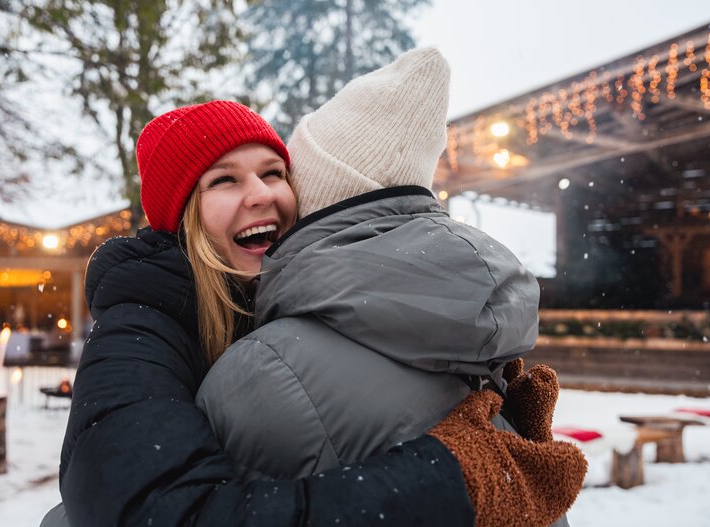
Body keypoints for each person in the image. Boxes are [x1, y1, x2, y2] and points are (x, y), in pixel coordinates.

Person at [52, 99, 583, 527]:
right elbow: (167, 514)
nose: (262, 195)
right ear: (183, 217)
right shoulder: (136, 336)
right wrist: (451, 479)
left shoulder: (283, 313)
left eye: (273, 172)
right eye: (224, 180)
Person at [195, 48, 584, 525]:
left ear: (316, 190)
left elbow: (161, 508)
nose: (268, 197)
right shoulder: (472, 326)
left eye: (282, 174)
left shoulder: (257, 372)